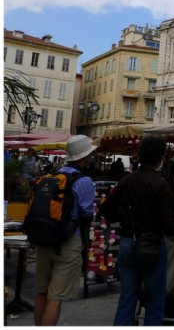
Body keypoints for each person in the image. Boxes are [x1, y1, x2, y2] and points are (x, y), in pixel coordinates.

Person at [99, 136, 174, 326]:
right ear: (160, 158)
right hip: (152, 244)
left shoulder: (126, 181)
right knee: (155, 301)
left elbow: (106, 210)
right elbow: (168, 225)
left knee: (127, 298)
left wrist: (125, 219)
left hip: (128, 241)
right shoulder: (161, 185)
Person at [32, 135, 96, 326]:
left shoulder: (51, 176)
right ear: (85, 157)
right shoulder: (83, 180)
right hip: (68, 242)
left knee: (42, 292)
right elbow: (86, 214)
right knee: (55, 298)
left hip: (44, 239)